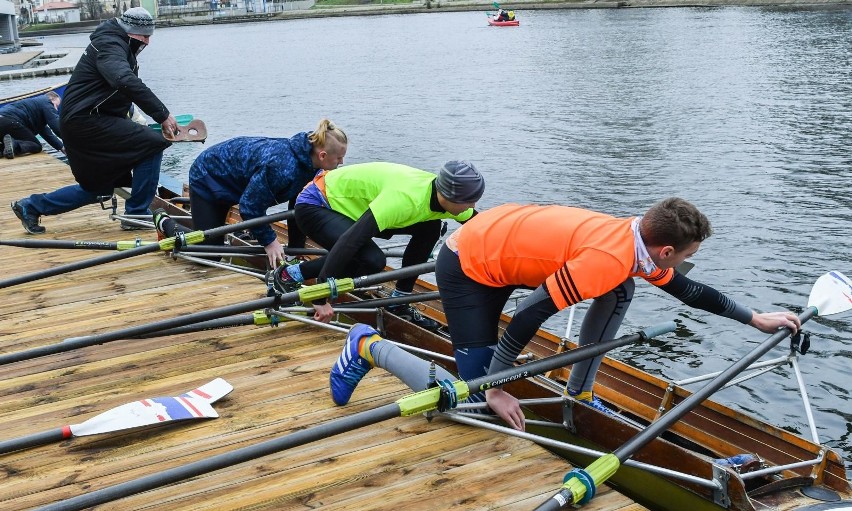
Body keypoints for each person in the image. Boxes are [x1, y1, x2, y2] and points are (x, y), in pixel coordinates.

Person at [327, 198, 801, 432]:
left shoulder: (635, 241)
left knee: (618, 292)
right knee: (471, 403)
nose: (679, 265)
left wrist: (755, 317)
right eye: (683, 256)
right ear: (667, 248)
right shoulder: (608, 257)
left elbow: (689, 291)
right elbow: (531, 316)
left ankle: (582, 392)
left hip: (503, 244)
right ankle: (367, 345)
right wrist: (497, 387)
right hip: (469, 263)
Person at [10, 7, 178, 235]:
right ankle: (137, 213)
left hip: (86, 122)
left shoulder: (117, 44)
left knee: (97, 189)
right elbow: (123, 79)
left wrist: (133, 124)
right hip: (86, 122)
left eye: (150, 36)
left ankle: (30, 206)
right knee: (153, 143)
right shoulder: (110, 45)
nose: (147, 42)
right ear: (130, 31)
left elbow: (115, 95)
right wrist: (162, 114)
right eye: (144, 36)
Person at [270, 160, 485, 331]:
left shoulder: (450, 200)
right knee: (372, 260)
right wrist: (320, 297)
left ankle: (399, 300)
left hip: (355, 209)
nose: (473, 205)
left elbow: (483, 230)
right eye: (469, 200)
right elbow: (349, 242)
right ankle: (289, 275)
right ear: (448, 196)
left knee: (431, 227)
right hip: (317, 202)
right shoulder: (403, 199)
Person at [152, 119, 349, 268]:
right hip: (208, 177)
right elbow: (249, 207)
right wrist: (270, 242)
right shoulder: (283, 168)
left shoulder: (311, 163)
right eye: (339, 158)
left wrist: (294, 251)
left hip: (234, 180)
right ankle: (165, 223)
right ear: (323, 155)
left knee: (213, 237)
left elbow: (298, 205)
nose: (341, 163)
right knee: (210, 254)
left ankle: (208, 229)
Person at [0, 91, 64, 160]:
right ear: (51, 99)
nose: (56, 109)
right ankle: (15, 144)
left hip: (3, 120)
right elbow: (55, 126)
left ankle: (3, 150)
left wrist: (61, 147)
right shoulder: (46, 101)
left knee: (6, 144)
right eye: (56, 105)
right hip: (9, 121)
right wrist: (70, 141)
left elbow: (47, 134)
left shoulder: (36, 109)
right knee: (36, 145)